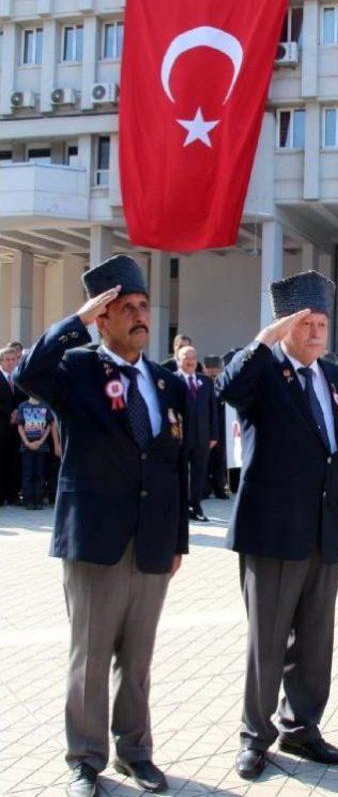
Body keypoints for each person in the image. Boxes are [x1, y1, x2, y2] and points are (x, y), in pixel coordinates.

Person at [15, 254, 189, 797]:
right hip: (95, 539)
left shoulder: (165, 383)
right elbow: (28, 374)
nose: (139, 316)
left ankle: (135, 751)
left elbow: (174, 467)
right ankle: (85, 760)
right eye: (125, 308)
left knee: (137, 659)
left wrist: (179, 538)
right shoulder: (78, 371)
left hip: (152, 541)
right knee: (90, 658)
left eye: (143, 306)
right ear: (104, 318)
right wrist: (77, 321)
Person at [217, 270, 338, 780]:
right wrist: (264, 340)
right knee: (268, 642)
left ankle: (302, 728)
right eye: (306, 323)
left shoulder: (336, 379)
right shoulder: (263, 374)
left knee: (316, 640)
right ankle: (255, 737)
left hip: (324, 531)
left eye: (322, 322)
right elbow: (229, 388)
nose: (317, 332)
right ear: (284, 327)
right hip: (273, 532)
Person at [175, 345, 218, 521]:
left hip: (202, 436)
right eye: (186, 357)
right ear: (178, 360)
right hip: (181, 437)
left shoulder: (206, 381)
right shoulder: (172, 380)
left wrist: (214, 435)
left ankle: (196, 506)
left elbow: (213, 410)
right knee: (181, 473)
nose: (191, 361)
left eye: (193, 357)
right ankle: (181, 507)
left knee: (199, 473)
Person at [16, 394, 54, 509]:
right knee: (27, 473)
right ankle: (28, 501)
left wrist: (41, 441)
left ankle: (38, 500)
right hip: (26, 446)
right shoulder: (22, 406)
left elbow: (49, 426)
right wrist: (27, 443)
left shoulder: (45, 405)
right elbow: (20, 426)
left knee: (39, 473)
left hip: (41, 446)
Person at [0, 344, 26, 506]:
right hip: (2, 426)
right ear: (1, 362)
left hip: (18, 427)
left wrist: (17, 411)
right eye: (7, 360)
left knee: (15, 462)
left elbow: (23, 398)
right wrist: (11, 412)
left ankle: (13, 494)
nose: (11, 363)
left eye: (14, 359)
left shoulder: (19, 378)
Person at [203, 355, 229, 499]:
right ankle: (204, 488)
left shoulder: (223, 384)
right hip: (205, 427)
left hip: (221, 426)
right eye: (210, 368)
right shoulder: (201, 383)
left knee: (220, 458)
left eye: (216, 369)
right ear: (205, 369)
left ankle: (219, 487)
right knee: (205, 459)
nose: (213, 372)